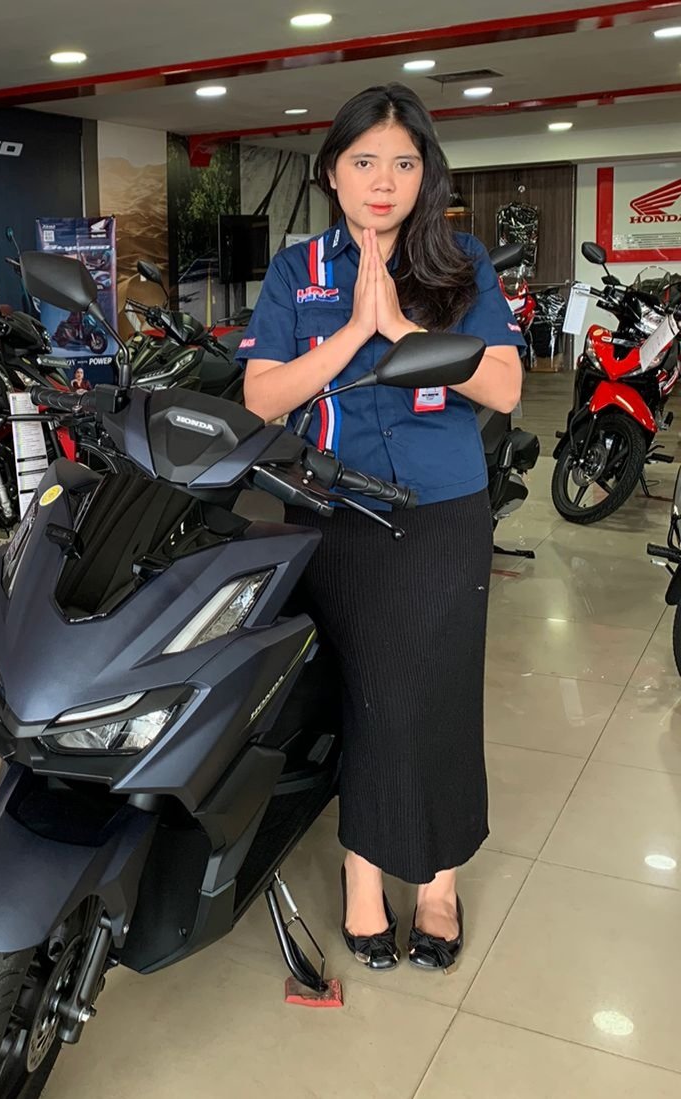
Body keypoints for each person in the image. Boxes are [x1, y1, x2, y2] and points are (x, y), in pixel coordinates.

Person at [237, 83, 523, 972]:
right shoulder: (297, 273)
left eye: (404, 162)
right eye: (364, 162)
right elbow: (261, 398)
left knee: (436, 693)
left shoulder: (461, 264)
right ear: (332, 171)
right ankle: (364, 873)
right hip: (333, 513)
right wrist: (352, 331)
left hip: (441, 513)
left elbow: (506, 386)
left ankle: (437, 878)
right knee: (362, 694)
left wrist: (398, 326)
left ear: (426, 173)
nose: (384, 181)